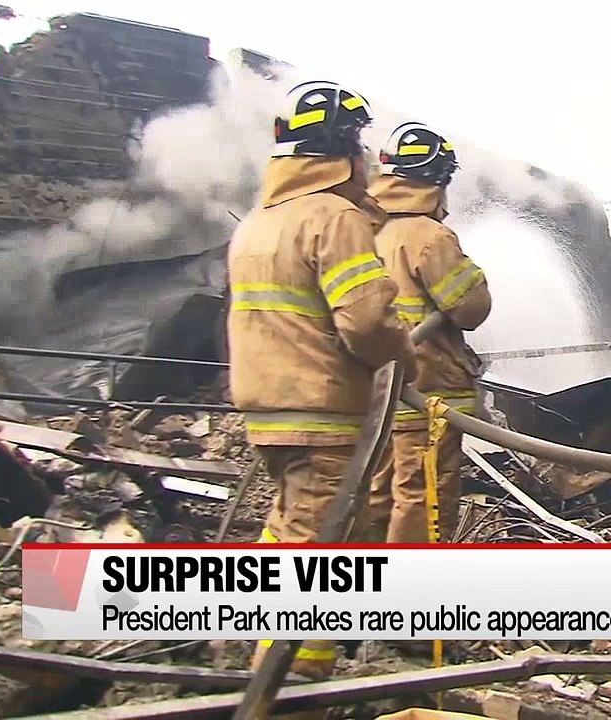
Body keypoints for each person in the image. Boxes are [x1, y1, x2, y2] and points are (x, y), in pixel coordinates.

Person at [227, 80, 417, 689]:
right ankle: (289, 694)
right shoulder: (333, 216)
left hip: (269, 415)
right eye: (359, 144)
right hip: (324, 414)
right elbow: (366, 320)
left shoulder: (259, 221)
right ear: (343, 148)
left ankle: (245, 648)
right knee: (324, 562)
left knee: (289, 529)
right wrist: (404, 351)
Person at [365, 121, 491, 545]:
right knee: (424, 494)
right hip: (426, 393)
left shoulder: (364, 230)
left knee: (378, 492)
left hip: (375, 393)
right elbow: (472, 308)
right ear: (438, 179)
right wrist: (472, 273)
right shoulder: (429, 237)